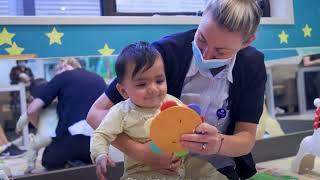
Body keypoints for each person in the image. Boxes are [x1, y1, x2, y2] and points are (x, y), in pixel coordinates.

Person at [87, 0, 266, 179]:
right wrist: (142, 153)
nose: (205, 55)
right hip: (155, 167)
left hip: (217, 165)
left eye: (220, 51)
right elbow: (96, 113)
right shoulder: (164, 53)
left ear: (247, 42)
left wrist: (219, 143)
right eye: (201, 38)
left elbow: (246, 137)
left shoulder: (252, 65)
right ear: (202, 17)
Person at [90, 42, 227, 180]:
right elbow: (101, 134)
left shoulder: (173, 103)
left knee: (208, 171)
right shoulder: (121, 112)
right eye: (142, 84)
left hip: (180, 167)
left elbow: (190, 125)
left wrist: (201, 130)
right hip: (140, 173)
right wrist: (100, 154)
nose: (153, 89)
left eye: (159, 81)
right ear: (124, 91)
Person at [27, 58, 106, 170]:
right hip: (99, 146)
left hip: (70, 143)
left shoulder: (62, 77)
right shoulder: (99, 79)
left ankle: (71, 164)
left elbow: (31, 110)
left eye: (58, 69)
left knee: (48, 161)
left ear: (64, 66)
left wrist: (40, 127)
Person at [16, 78, 59, 173]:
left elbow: (24, 118)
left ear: (32, 97)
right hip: (59, 135)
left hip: (43, 137)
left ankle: (31, 166)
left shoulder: (35, 105)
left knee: (32, 147)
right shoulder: (57, 103)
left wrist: (18, 128)